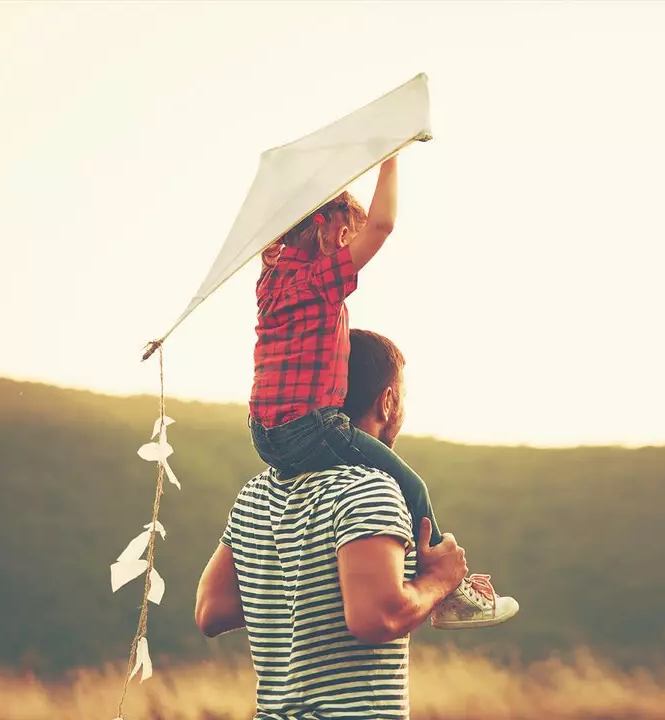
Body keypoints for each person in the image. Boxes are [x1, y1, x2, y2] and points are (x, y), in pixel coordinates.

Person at [247, 155, 514, 629]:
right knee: (412, 487)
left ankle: (383, 568)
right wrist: (389, 156)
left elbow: (361, 225)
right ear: (325, 227)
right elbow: (383, 225)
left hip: (263, 434)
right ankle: (449, 591)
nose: (353, 243)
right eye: (347, 233)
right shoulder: (317, 280)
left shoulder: (271, 278)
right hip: (309, 427)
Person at [196, 329, 520, 719]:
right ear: (387, 402)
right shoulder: (369, 487)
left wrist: (309, 587)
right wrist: (439, 582)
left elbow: (211, 611)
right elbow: (376, 618)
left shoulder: (255, 493)